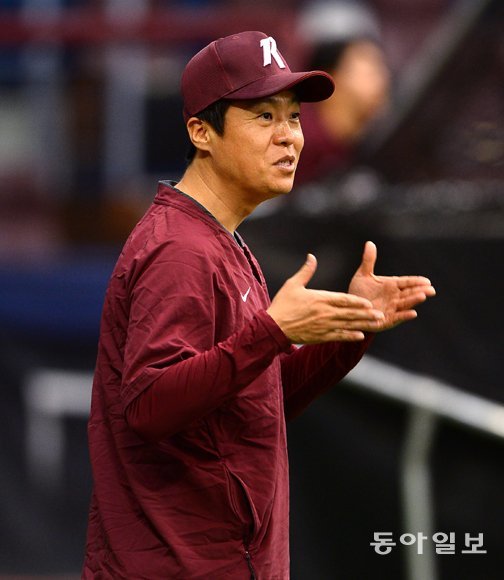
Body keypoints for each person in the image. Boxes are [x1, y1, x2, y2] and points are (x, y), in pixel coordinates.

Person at [82, 31, 435, 579]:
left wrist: (350, 329)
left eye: (293, 117)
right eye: (264, 117)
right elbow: (149, 405)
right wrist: (271, 331)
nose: (289, 136)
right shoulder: (180, 248)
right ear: (201, 131)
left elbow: (257, 402)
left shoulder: (219, 236)